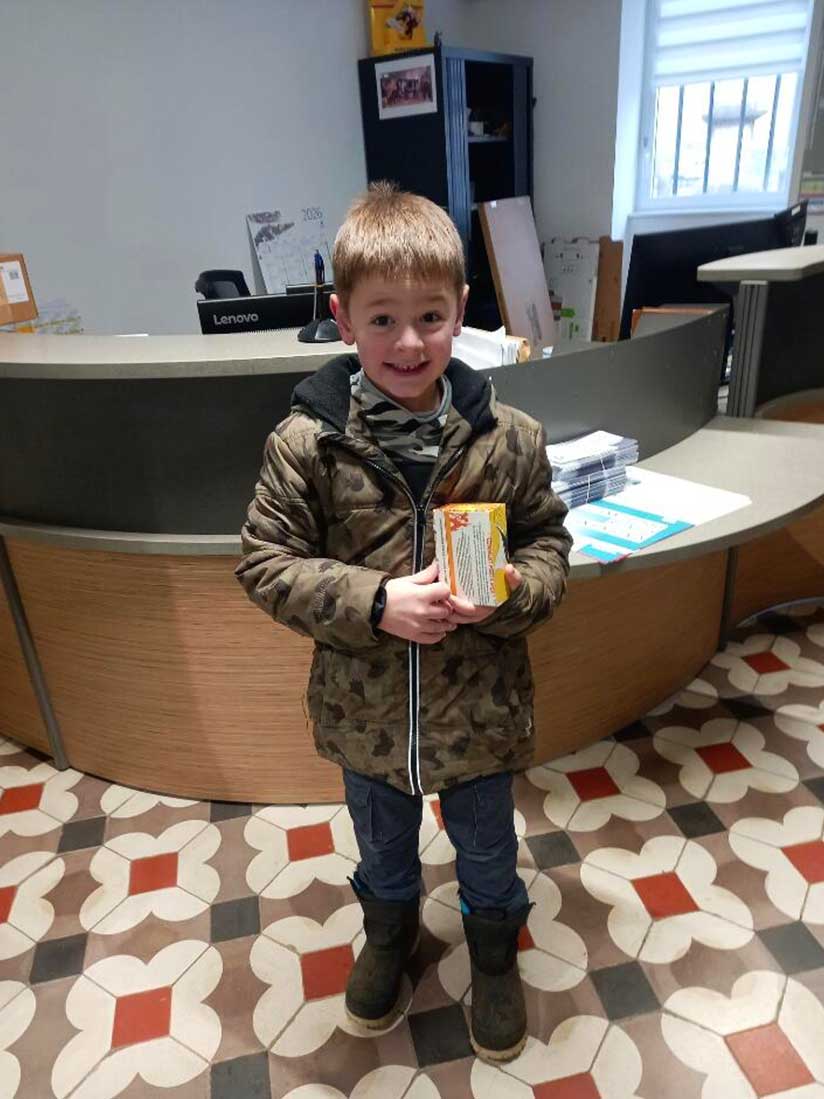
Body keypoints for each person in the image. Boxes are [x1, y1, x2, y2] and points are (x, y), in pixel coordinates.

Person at [235, 182, 571, 1063]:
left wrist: (512, 592)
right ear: (343, 319)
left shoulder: (511, 438)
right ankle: (389, 935)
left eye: (430, 316)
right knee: (382, 847)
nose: (409, 342)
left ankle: (492, 951)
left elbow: (550, 546)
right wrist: (377, 603)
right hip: (366, 717)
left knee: (488, 850)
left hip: (481, 714)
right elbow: (264, 562)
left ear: (461, 309)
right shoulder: (308, 443)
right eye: (382, 319)